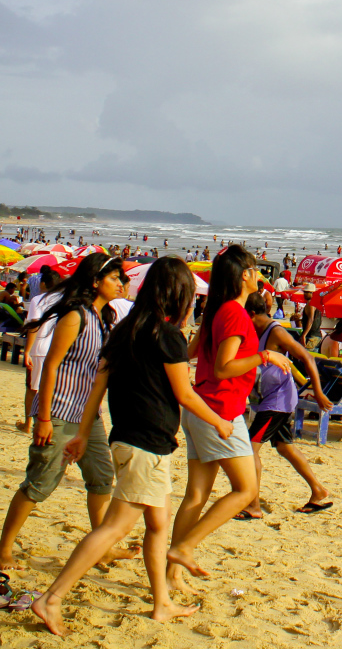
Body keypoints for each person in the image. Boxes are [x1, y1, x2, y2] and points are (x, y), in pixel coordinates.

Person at [30, 258, 231, 635]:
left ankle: (162, 604)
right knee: (115, 528)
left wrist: (81, 433)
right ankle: (52, 597)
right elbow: (184, 393)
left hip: (128, 438)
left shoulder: (123, 329)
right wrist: (219, 421)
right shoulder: (167, 335)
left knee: (157, 523)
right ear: (179, 294)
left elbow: (98, 387)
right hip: (145, 446)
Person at [166, 245, 290, 590]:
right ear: (244, 275)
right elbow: (223, 367)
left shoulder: (217, 311)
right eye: (255, 269)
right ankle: (185, 549)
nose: (260, 275)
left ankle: (172, 574)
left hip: (201, 408)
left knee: (196, 495)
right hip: (220, 410)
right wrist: (264, 355)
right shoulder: (233, 314)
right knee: (245, 489)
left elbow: (190, 352)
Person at [0, 254, 128, 571]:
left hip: (89, 417)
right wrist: (43, 418)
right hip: (59, 413)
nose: (120, 284)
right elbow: (51, 367)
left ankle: (100, 547)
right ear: (96, 281)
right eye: (114, 278)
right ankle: (3, 549)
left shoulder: (103, 318)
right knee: (40, 484)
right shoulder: (76, 316)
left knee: (101, 478)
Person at [239, 293, 334, 518]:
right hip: (268, 399)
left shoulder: (276, 331)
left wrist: (318, 392)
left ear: (251, 313)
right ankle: (318, 491)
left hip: (278, 400)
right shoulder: (256, 331)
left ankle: (253, 506)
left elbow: (308, 358)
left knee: (250, 449)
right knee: (284, 447)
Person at [17, 265, 61, 434]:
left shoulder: (39, 300)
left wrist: (27, 351)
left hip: (39, 348)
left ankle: (28, 424)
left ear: (43, 284)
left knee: (32, 388)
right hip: (56, 349)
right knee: (52, 387)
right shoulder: (64, 300)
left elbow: (33, 327)